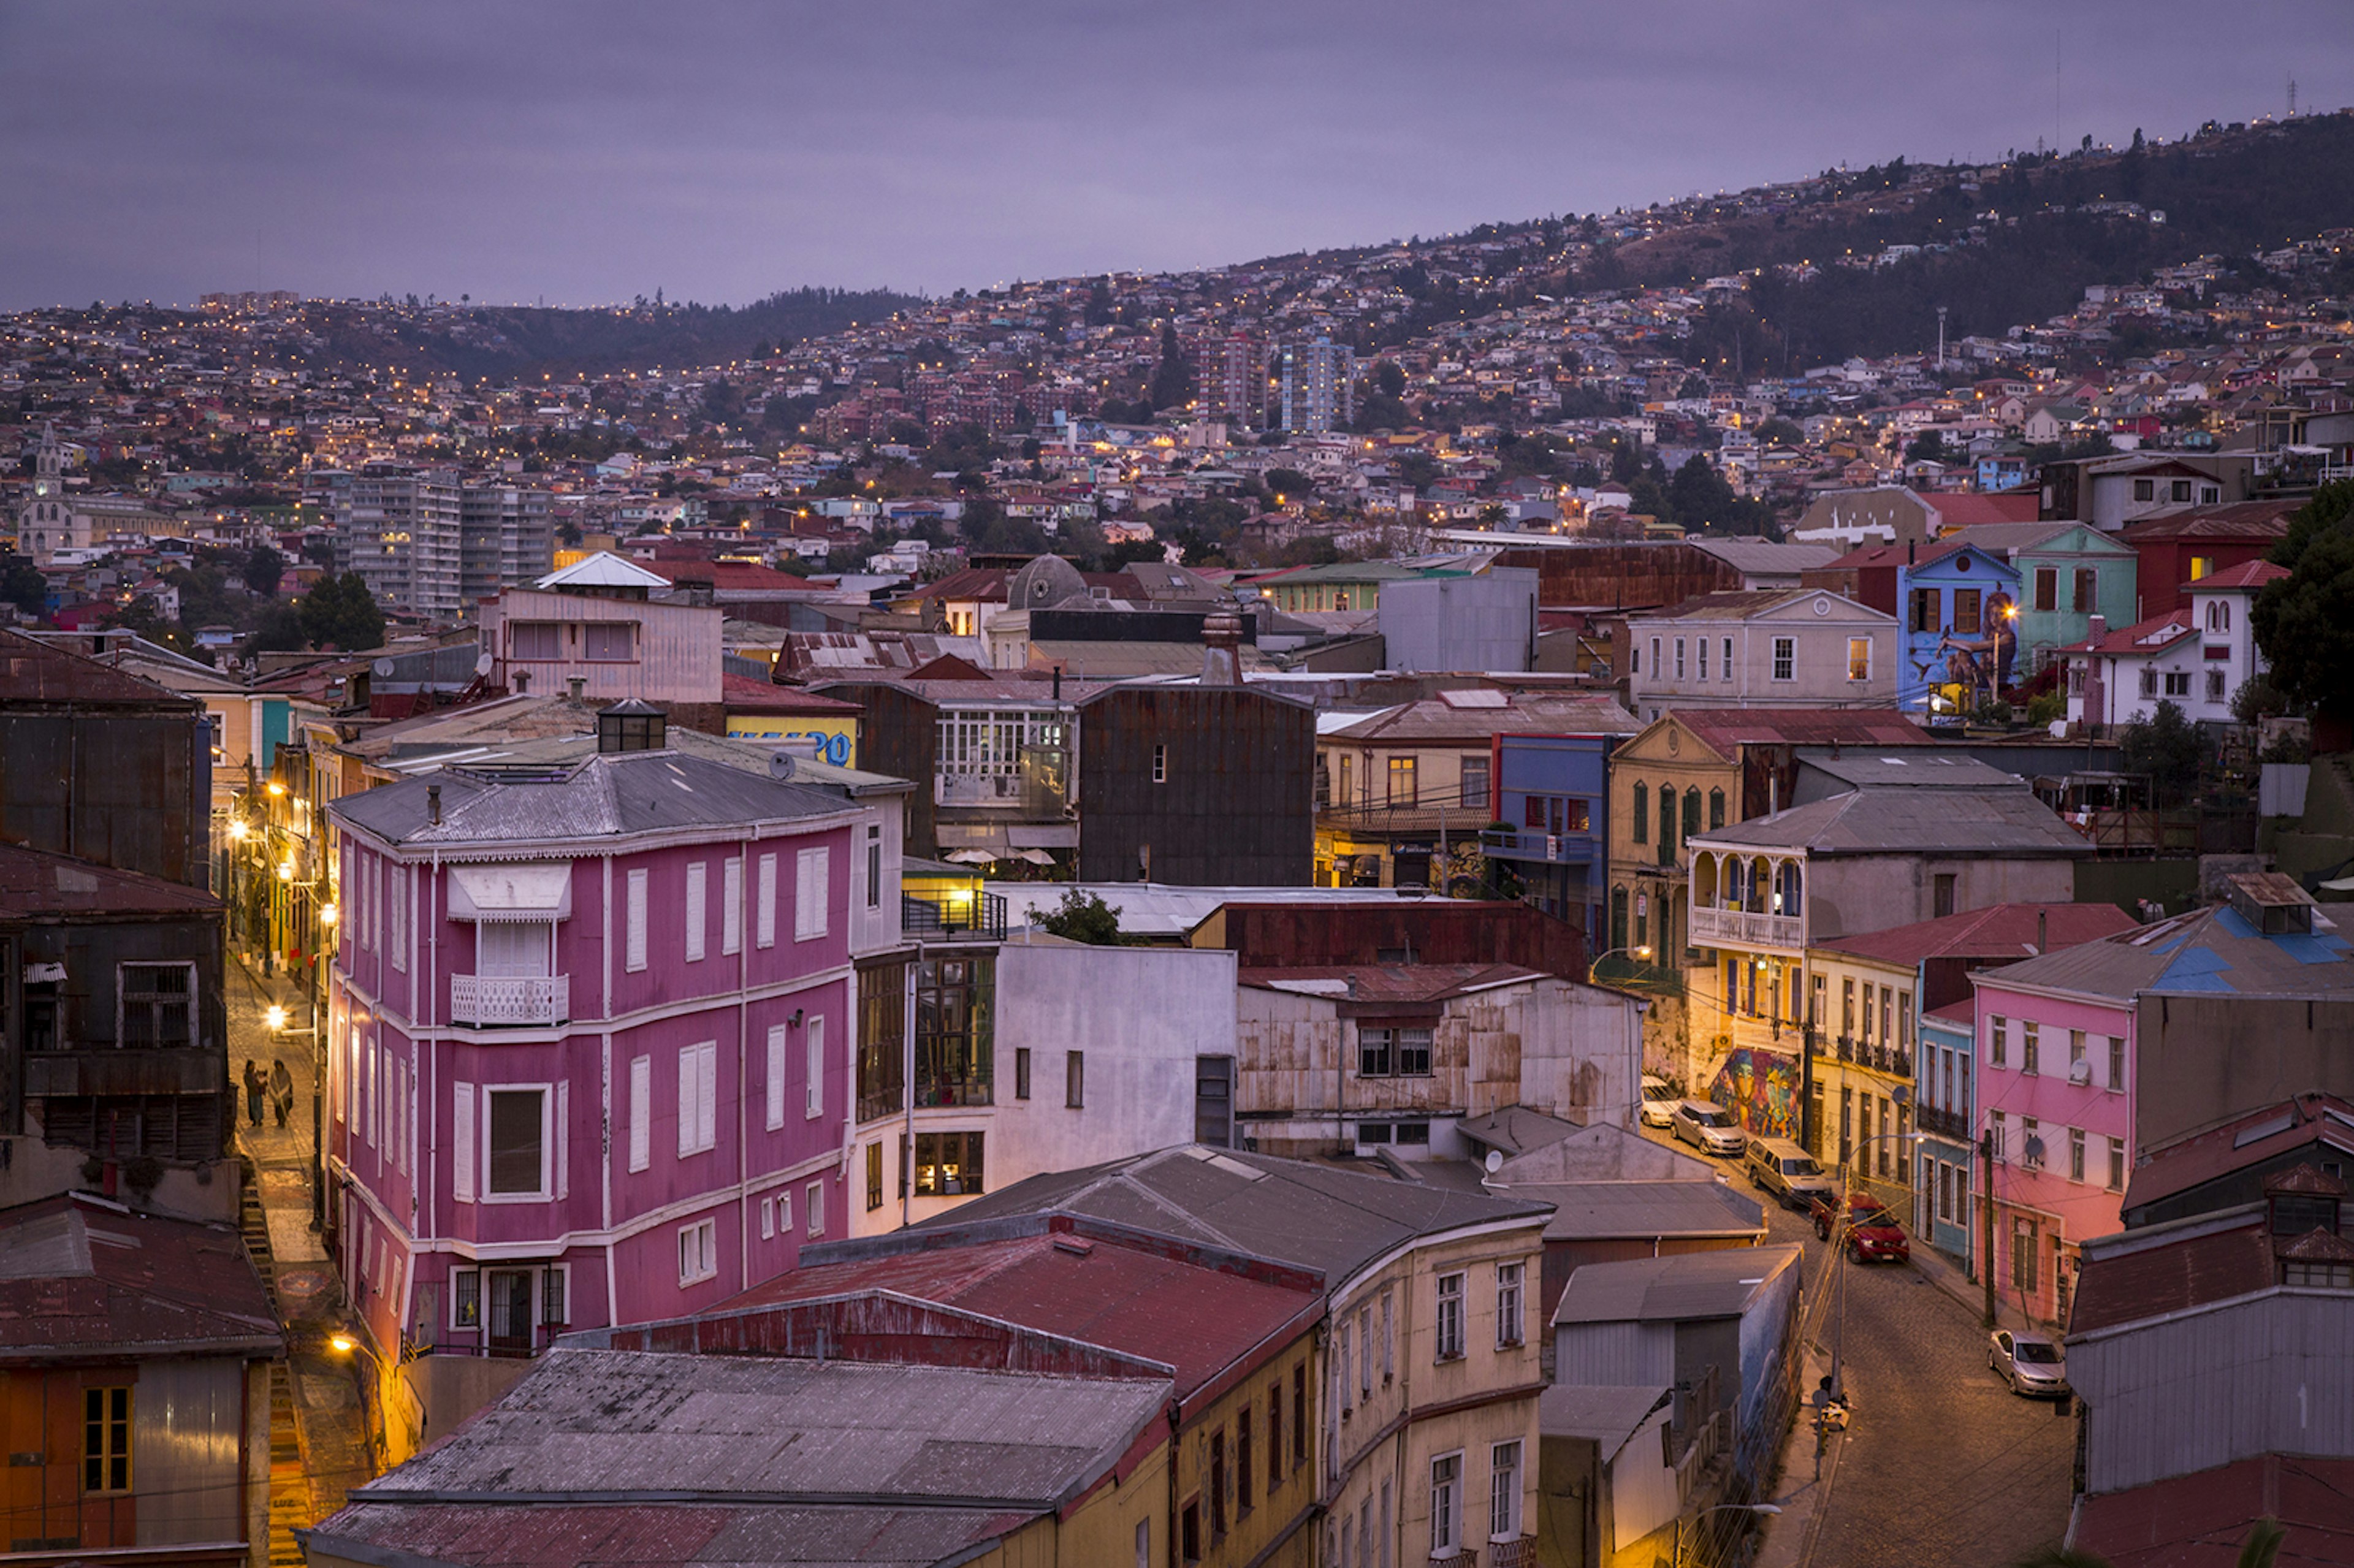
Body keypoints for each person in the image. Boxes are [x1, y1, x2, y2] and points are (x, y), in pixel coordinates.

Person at [270, 1058, 294, 1128]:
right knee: (278, 1109)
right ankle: (279, 1120)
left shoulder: (286, 1073)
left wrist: (283, 1089)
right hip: (277, 1094)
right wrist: (276, 1090)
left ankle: (283, 1120)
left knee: (285, 1108)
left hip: (285, 1096)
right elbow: (272, 1082)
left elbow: (288, 1083)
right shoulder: (274, 1074)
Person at [242, 1060, 267, 1128]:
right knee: (253, 1107)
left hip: (258, 1093)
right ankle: (255, 1120)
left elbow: (261, 1078)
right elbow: (249, 1084)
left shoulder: (256, 1073)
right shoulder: (247, 1075)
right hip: (252, 1093)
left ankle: (259, 1119)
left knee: (259, 1106)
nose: (253, 1067)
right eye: (252, 1066)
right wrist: (257, 1085)